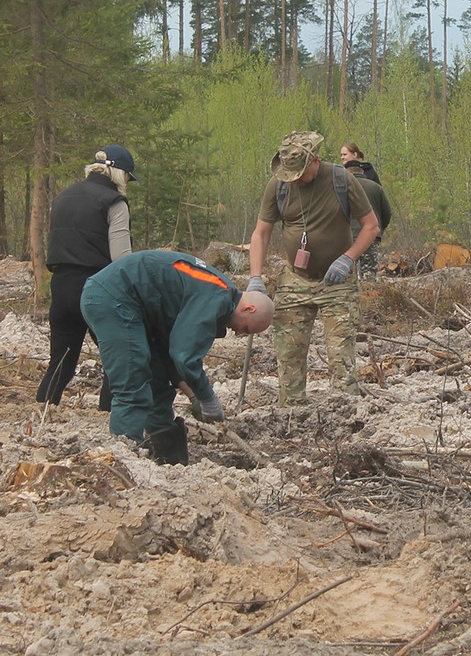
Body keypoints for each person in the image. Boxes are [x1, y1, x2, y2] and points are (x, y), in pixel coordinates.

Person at [79, 250, 273, 465]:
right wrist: (207, 397)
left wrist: (193, 397)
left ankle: (168, 457)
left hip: (127, 303)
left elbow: (170, 353)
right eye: (246, 328)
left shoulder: (216, 291)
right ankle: (121, 460)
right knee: (132, 382)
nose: (240, 333)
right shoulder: (215, 297)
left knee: (158, 381)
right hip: (114, 299)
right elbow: (184, 356)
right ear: (249, 308)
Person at [249, 132, 379, 405]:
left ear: (314, 162)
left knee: (340, 355)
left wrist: (348, 258)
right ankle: (292, 411)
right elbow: (261, 234)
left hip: (337, 283)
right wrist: (255, 279)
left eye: (298, 172)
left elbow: (371, 226)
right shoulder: (278, 186)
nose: (293, 178)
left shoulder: (341, 180)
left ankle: (345, 414)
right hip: (295, 280)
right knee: (289, 353)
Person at [38, 145, 138, 407]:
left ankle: (42, 414)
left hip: (60, 287)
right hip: (97, 289)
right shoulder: (114, 201)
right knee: (116, 361)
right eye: (128, 176)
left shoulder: (63, 197)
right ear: (117, 173)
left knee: (60, 364)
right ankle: (109, 419)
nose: (127, 182)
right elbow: (121, 259)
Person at [345, 163, 391, 280]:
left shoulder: (344, 187)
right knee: (369, 275)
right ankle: (369, 297)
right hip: (371, 237)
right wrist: (378, 231)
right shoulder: (376, 187)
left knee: (348, 274)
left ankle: (353, 298)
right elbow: (387, 213)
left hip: (349, 237)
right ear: (362, 172)